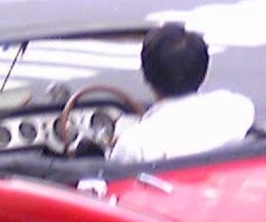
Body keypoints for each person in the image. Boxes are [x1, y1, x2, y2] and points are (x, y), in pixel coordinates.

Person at [108, 23, 255, 163]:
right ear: (203, 72)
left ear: (146, 76)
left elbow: (112, 174)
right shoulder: (235, 109)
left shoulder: (134, 144)